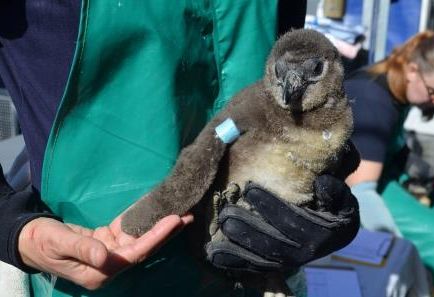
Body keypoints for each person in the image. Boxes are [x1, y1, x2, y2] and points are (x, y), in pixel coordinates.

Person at [0, 1, 359, 296]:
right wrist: (13, 227)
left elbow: (293, 92)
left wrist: (322, 196)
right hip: (95, 267)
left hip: (257, 273)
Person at [345, 30, 434, 285]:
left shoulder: (399, 87)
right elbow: (361, 194)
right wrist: (397, 250)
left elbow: (391, 146)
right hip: (357, 193)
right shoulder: (373, 100)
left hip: (384, 176)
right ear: (412, 70)